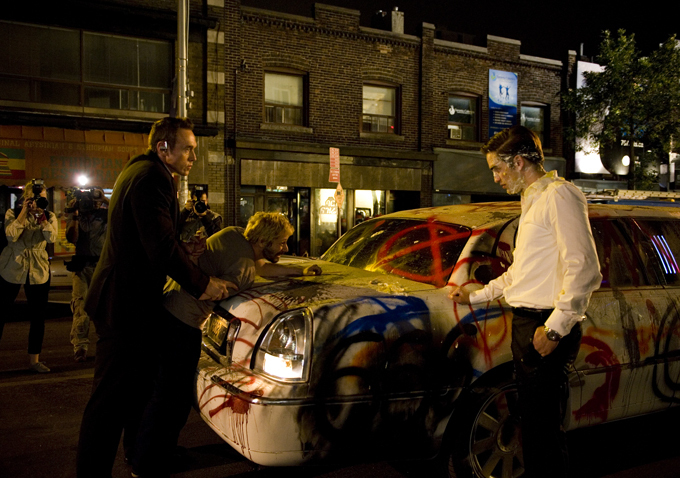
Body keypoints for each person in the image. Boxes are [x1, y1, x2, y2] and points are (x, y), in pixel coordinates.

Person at [76, 117, 233, 478]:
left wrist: (186, 247)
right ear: (164, 148)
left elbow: (156, 237)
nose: (194, 155)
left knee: (136, 390)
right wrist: (202, 284)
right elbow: (158, 247)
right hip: (123, 305)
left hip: (130, 303)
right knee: (109, 400)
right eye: (188, 148)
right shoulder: (151, 179)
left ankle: (139, 456)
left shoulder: (145, 172)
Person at [449, 125, 601, 478]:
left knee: (542, 430)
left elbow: (584, 266)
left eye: (497, 169)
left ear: (518, 162)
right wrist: (477, 293)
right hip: (529, 322)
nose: (496, 178)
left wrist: (554, 328)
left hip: (543, 324)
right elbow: (523, 272)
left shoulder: (560, 196)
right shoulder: (533, 199)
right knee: (533, 427)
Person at [130, 211, 321, 477]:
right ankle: (147, 464)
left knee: (161, 393)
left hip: (165, 310)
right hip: (182, 325)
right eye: (281, 242)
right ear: (265, 240)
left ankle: (155, 452)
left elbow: (260, 266)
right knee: (171, 398)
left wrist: (300, 270)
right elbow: (243, 277)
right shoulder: (242, 269)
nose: (285, 247)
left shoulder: (233, 234)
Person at [0, 180, 58, 373]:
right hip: (12, 267)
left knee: (38, 317)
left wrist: (41, 217)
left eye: (42, 199)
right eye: (34, 198)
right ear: (25, 198)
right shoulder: (13, 213)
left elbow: (51, 238)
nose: (37, 202)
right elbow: (11, 236)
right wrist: (24, 212)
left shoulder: (49, 216)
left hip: (38, 269)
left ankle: (35, 360)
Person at [65, 187, 109, 362]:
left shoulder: (105, 215)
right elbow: (71, 238)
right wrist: (74, 213)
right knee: (81, 308)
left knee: (104, 309)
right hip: (82, 268)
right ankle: (80, 347)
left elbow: (121, 211)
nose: (91, 203)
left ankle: (104, 345)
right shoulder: (77, 216)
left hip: (101, 267)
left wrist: (104, 199)